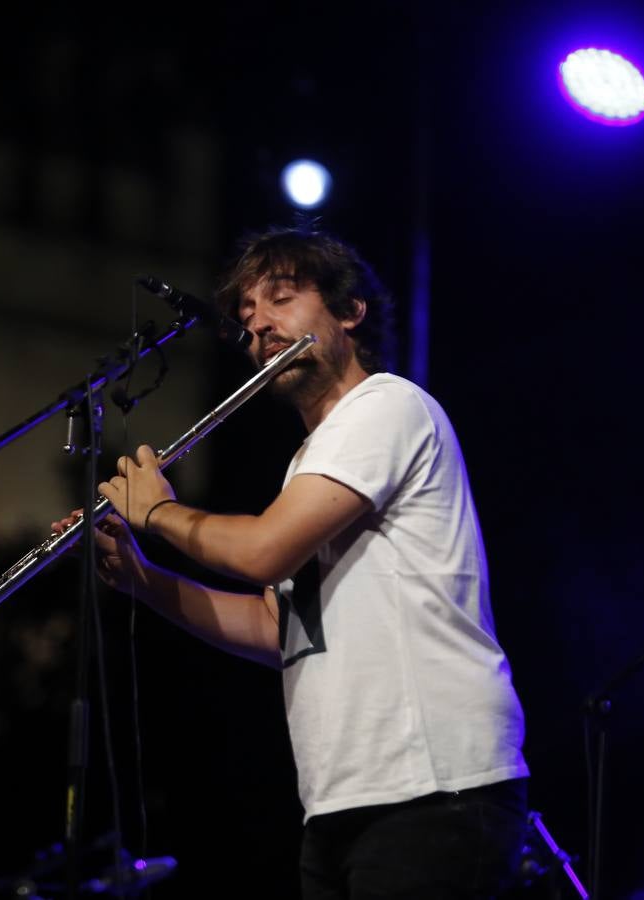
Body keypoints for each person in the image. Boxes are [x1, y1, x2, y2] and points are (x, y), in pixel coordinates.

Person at [56, 227, 530, 899]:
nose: (259, 326)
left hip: (435, 785)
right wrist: (146, 581)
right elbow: (279, 629)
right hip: (343, 798)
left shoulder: (386, 407)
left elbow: (260, 551)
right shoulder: (308, 463)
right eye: (246, 315)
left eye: (280, 298)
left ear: (349, 311)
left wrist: (158, 513)